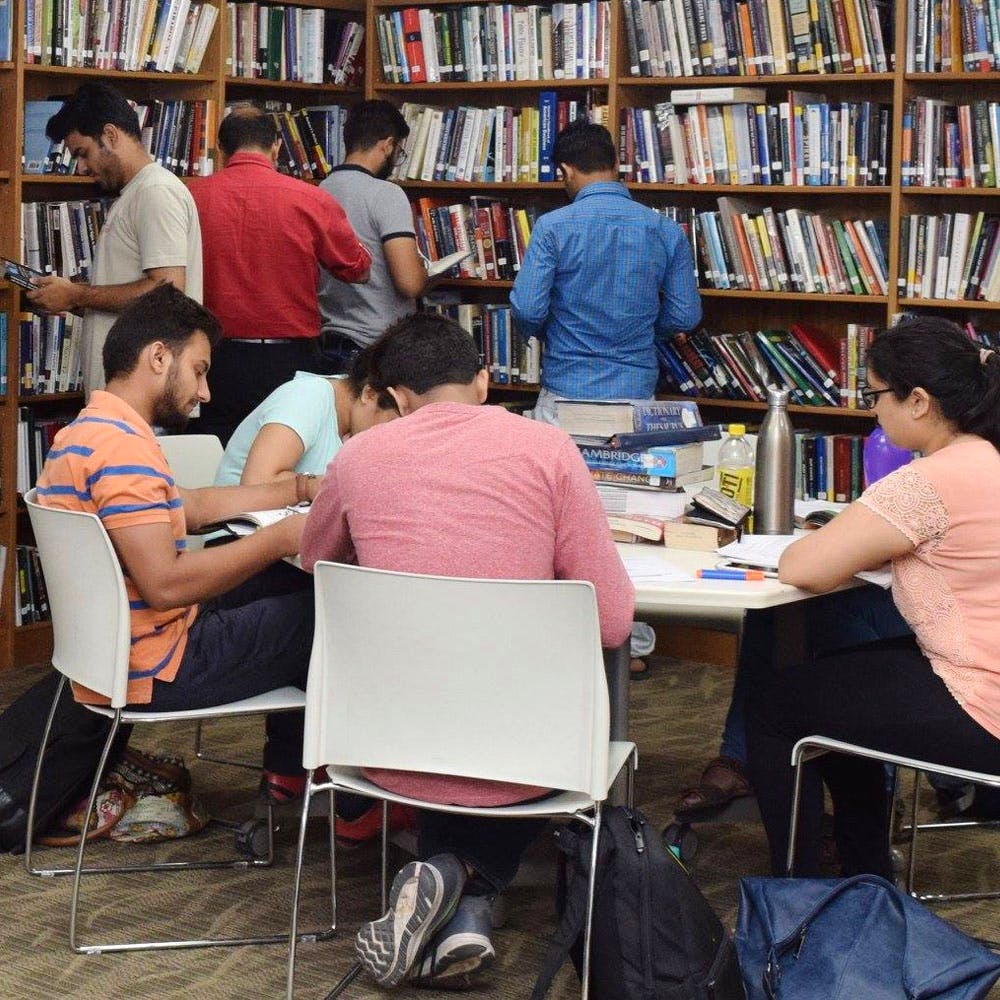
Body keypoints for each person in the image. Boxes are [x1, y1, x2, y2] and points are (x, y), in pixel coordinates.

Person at [300, 313, 634, 990]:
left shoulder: (356, 458)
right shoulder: (549, 450)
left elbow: (314, 562)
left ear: (394, 396)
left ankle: (464, 914)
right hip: (528, 759)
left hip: (386, 748)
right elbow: (612, 621)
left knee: (450, 713)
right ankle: (459, 882)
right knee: (510, 726)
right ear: (483, 381)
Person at [36, 284, 323, 793]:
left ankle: (293, 773)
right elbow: (166, 585)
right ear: (158, 357)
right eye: (199, 370)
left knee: (288, 588)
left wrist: (294, 489)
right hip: (160, 666)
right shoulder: (120, 451)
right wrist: (282, 536)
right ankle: (342, 792)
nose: (205, 393)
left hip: (125, 648)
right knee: (330, 616)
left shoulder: (93, 431)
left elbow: (186, 506)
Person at [745, 316, 1000, 879]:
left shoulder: (930, 480)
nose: (872, 410)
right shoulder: (986, 457)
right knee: (830, 685)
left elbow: (802, 567)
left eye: (877, 395)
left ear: (918, 401)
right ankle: (865, 869)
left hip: (981, 702)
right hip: (985, 677)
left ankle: (800, 892)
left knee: (773, 705)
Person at [188, 104, 372, 444]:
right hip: (289, 359)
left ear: (221, 149)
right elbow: (357, 269)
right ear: (276, 146)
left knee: (213, 451)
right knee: (285, 454)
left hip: (213, 357)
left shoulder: (190, 197)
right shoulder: (311, 200)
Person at [509, 119, 702, 424]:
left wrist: (558, 332)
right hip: (635, 392)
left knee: (559, 473)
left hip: (565, 389)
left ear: (565, 171)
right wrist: (644, 331)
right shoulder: (665, 230)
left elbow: (528, 310)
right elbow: (684, 316)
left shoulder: (551, 228)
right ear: (615, 163)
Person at [26, 83, 203, 396]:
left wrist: (76, 296)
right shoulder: (135, 193)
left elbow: (167, 290)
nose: (80, 169)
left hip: (148, 398)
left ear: (110, 135)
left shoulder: (155, 192)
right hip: (130, 398)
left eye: (83, 154)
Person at [675, 587, 911, 816]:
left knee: (829, 611)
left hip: (919, 593)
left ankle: (874, 808)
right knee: (773, 607)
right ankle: (740, 758)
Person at [317, 100, 430, 373]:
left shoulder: (319, 190)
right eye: (398, 151)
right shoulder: (386, 194)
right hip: (376, 346)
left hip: (329, 339)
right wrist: (427, 273)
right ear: (388, 145)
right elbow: (409, 284)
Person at [214, 348, 398, 486]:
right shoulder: (308, 396)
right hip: (234, 531)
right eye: (393, 424)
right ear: (370, 394)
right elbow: (257, 482)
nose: (393, 438)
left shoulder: (356, 422)